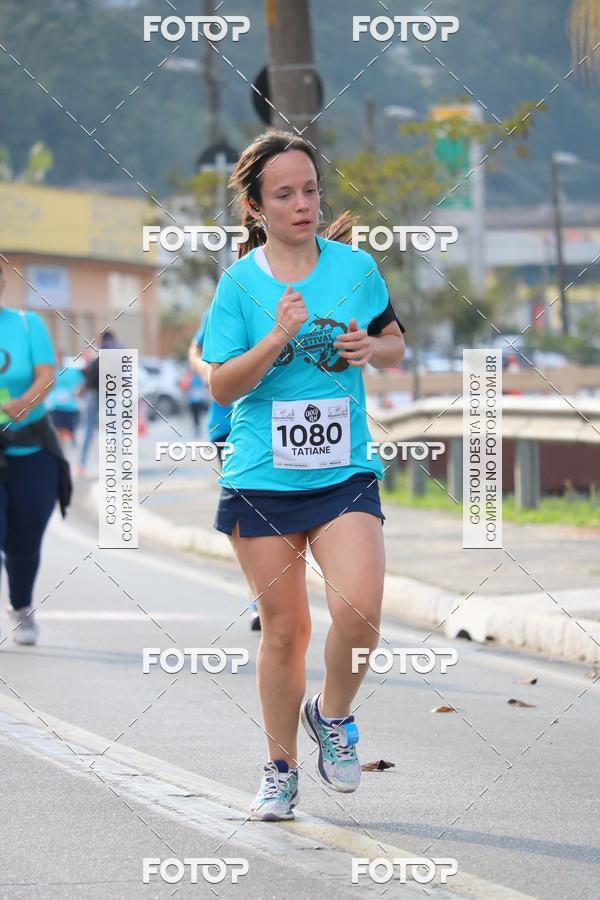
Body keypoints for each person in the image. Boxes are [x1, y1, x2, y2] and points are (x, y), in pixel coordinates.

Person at [201, 131, 406, 821]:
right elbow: (222, 387)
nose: (302, 204)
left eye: (311, 190)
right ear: (256, 208)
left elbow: (395, 343)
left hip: (343, 467)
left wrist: (368, 347)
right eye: (284, 194)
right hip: (262, 477)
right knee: (285, 631)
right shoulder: (239, 284)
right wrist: (276, 338)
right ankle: (279, 770)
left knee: (361, 608)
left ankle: (333, 716)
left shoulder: (355, 268)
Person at [0, 264, 71, 646]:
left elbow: (47, 374)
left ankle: (21, 606)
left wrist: (24, 402)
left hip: (31, 444)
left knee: (24, 538)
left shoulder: (28, 324)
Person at [188, 310, 262, 630]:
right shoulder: (230, 296)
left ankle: (270, 594)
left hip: (274, 425)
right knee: (252, 513)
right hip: (228, 426)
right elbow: (195, 349)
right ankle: (261, 598)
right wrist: (209, 371)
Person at [78, 330, 118, 476]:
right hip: (108, 396)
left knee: (89, 431)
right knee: (111, 432)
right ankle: (115, 466)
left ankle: (82, 466)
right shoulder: (116, 353)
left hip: (94, 395)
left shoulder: (98, 352)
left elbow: (89, 374)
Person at [47, 349, 85, 446]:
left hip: (70, 407)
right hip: (56, 407)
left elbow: (82, 383)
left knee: (70, 431)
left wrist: (78, 392)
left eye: (60, 357)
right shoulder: (52, 373)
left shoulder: (72, 371)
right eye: (56, 357)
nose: (58, 359)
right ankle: (62, 447)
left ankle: (71, 443)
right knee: (59, 430)